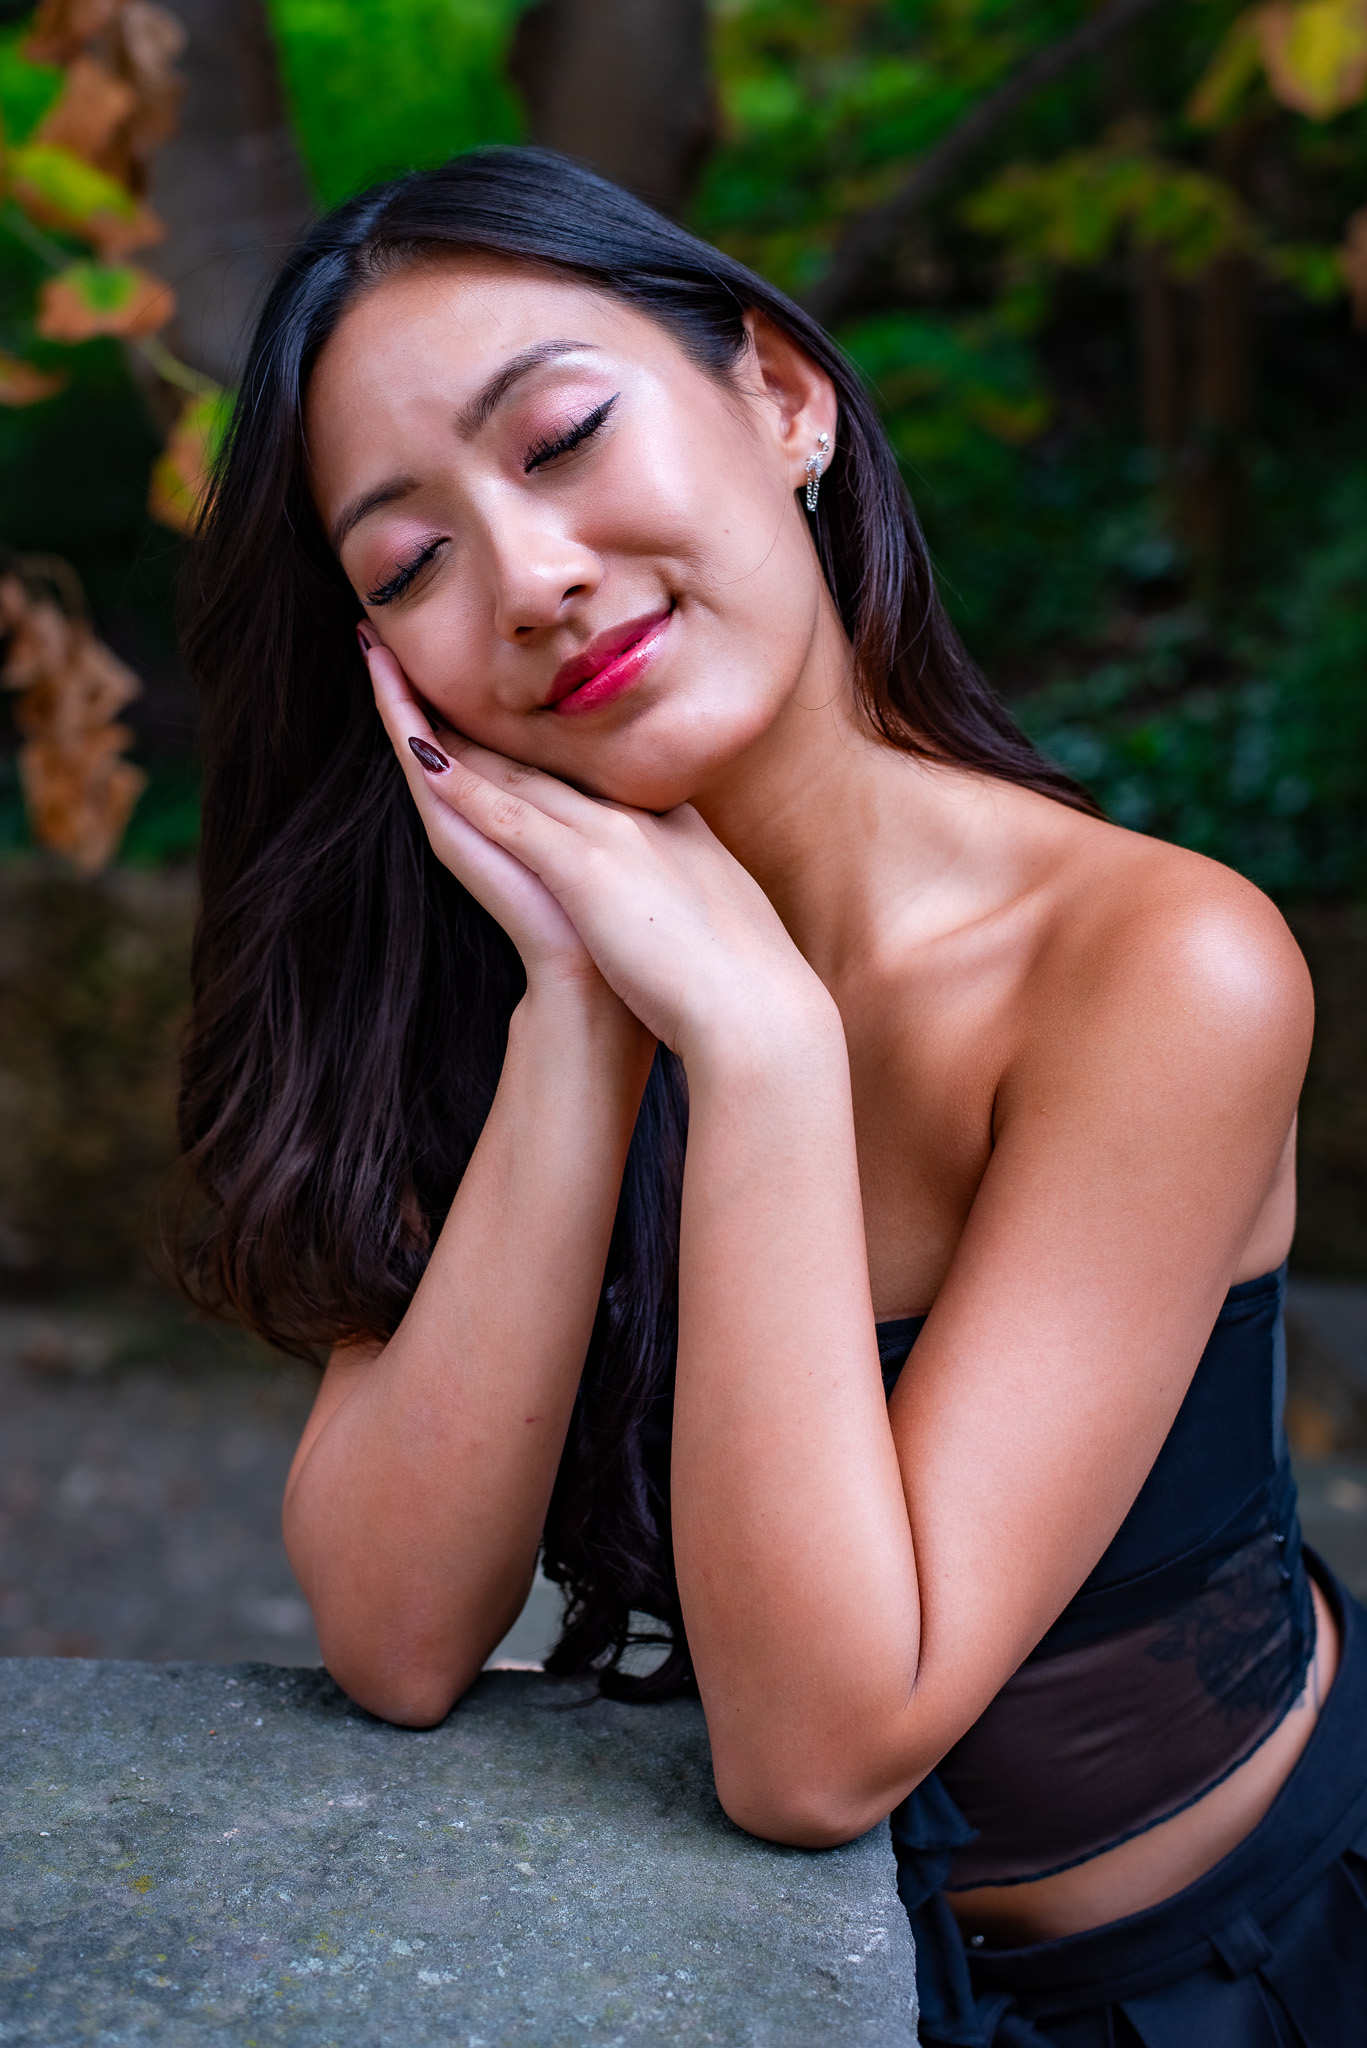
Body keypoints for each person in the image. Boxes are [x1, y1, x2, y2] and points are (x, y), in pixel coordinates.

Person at [173, 148, 1367, 2045]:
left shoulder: (1158, 968)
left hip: (1227, 1975)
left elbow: (821, 1755)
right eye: (411, 561)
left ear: (782, 398)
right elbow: (399, 1637)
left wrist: (768, 1049)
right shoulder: (502, 976)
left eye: (562, 438)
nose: (535, 577)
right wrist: (585, 1008)